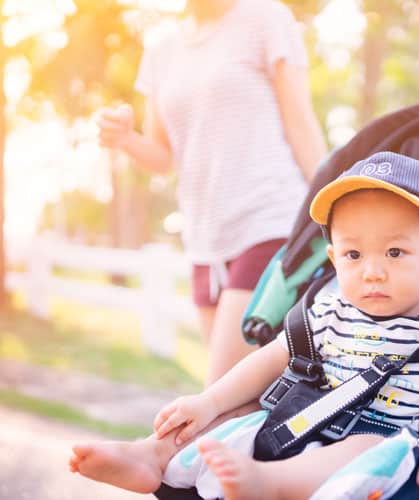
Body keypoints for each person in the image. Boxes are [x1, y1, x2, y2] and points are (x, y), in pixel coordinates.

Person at [69, 152, 419, 500]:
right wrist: (210, 402)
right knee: (244, 415)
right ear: (333, 256)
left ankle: (267, 485)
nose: (372, 272)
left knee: (366, 445)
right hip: (304, 420)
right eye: (353, 255)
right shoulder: (329, 309)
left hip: (387, 443)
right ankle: (154, 455)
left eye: (395, 252)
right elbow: (271, 358)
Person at [97, 0, 328, 383]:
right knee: (240, 402)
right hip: (205, 240)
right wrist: (125, 140)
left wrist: (331, 208)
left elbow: (301, 124)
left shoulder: (266, 19)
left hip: (269, 219)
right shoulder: (161, 49)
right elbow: (162, 156)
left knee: (218, 394)